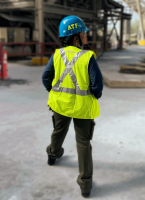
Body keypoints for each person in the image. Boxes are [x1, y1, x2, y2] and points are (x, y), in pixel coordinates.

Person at [42, 15, 103, 198]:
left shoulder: (57, 55)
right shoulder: (87, 57)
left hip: (60, 104)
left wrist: (55, 92)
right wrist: (94, 95)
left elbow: (46, 78)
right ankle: (85, 184)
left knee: (59, 130)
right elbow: (97, 86)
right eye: (84, 33)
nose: (86, 36)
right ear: (75, 36)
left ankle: (53, 155)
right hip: (82, 109)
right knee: (83, 143)